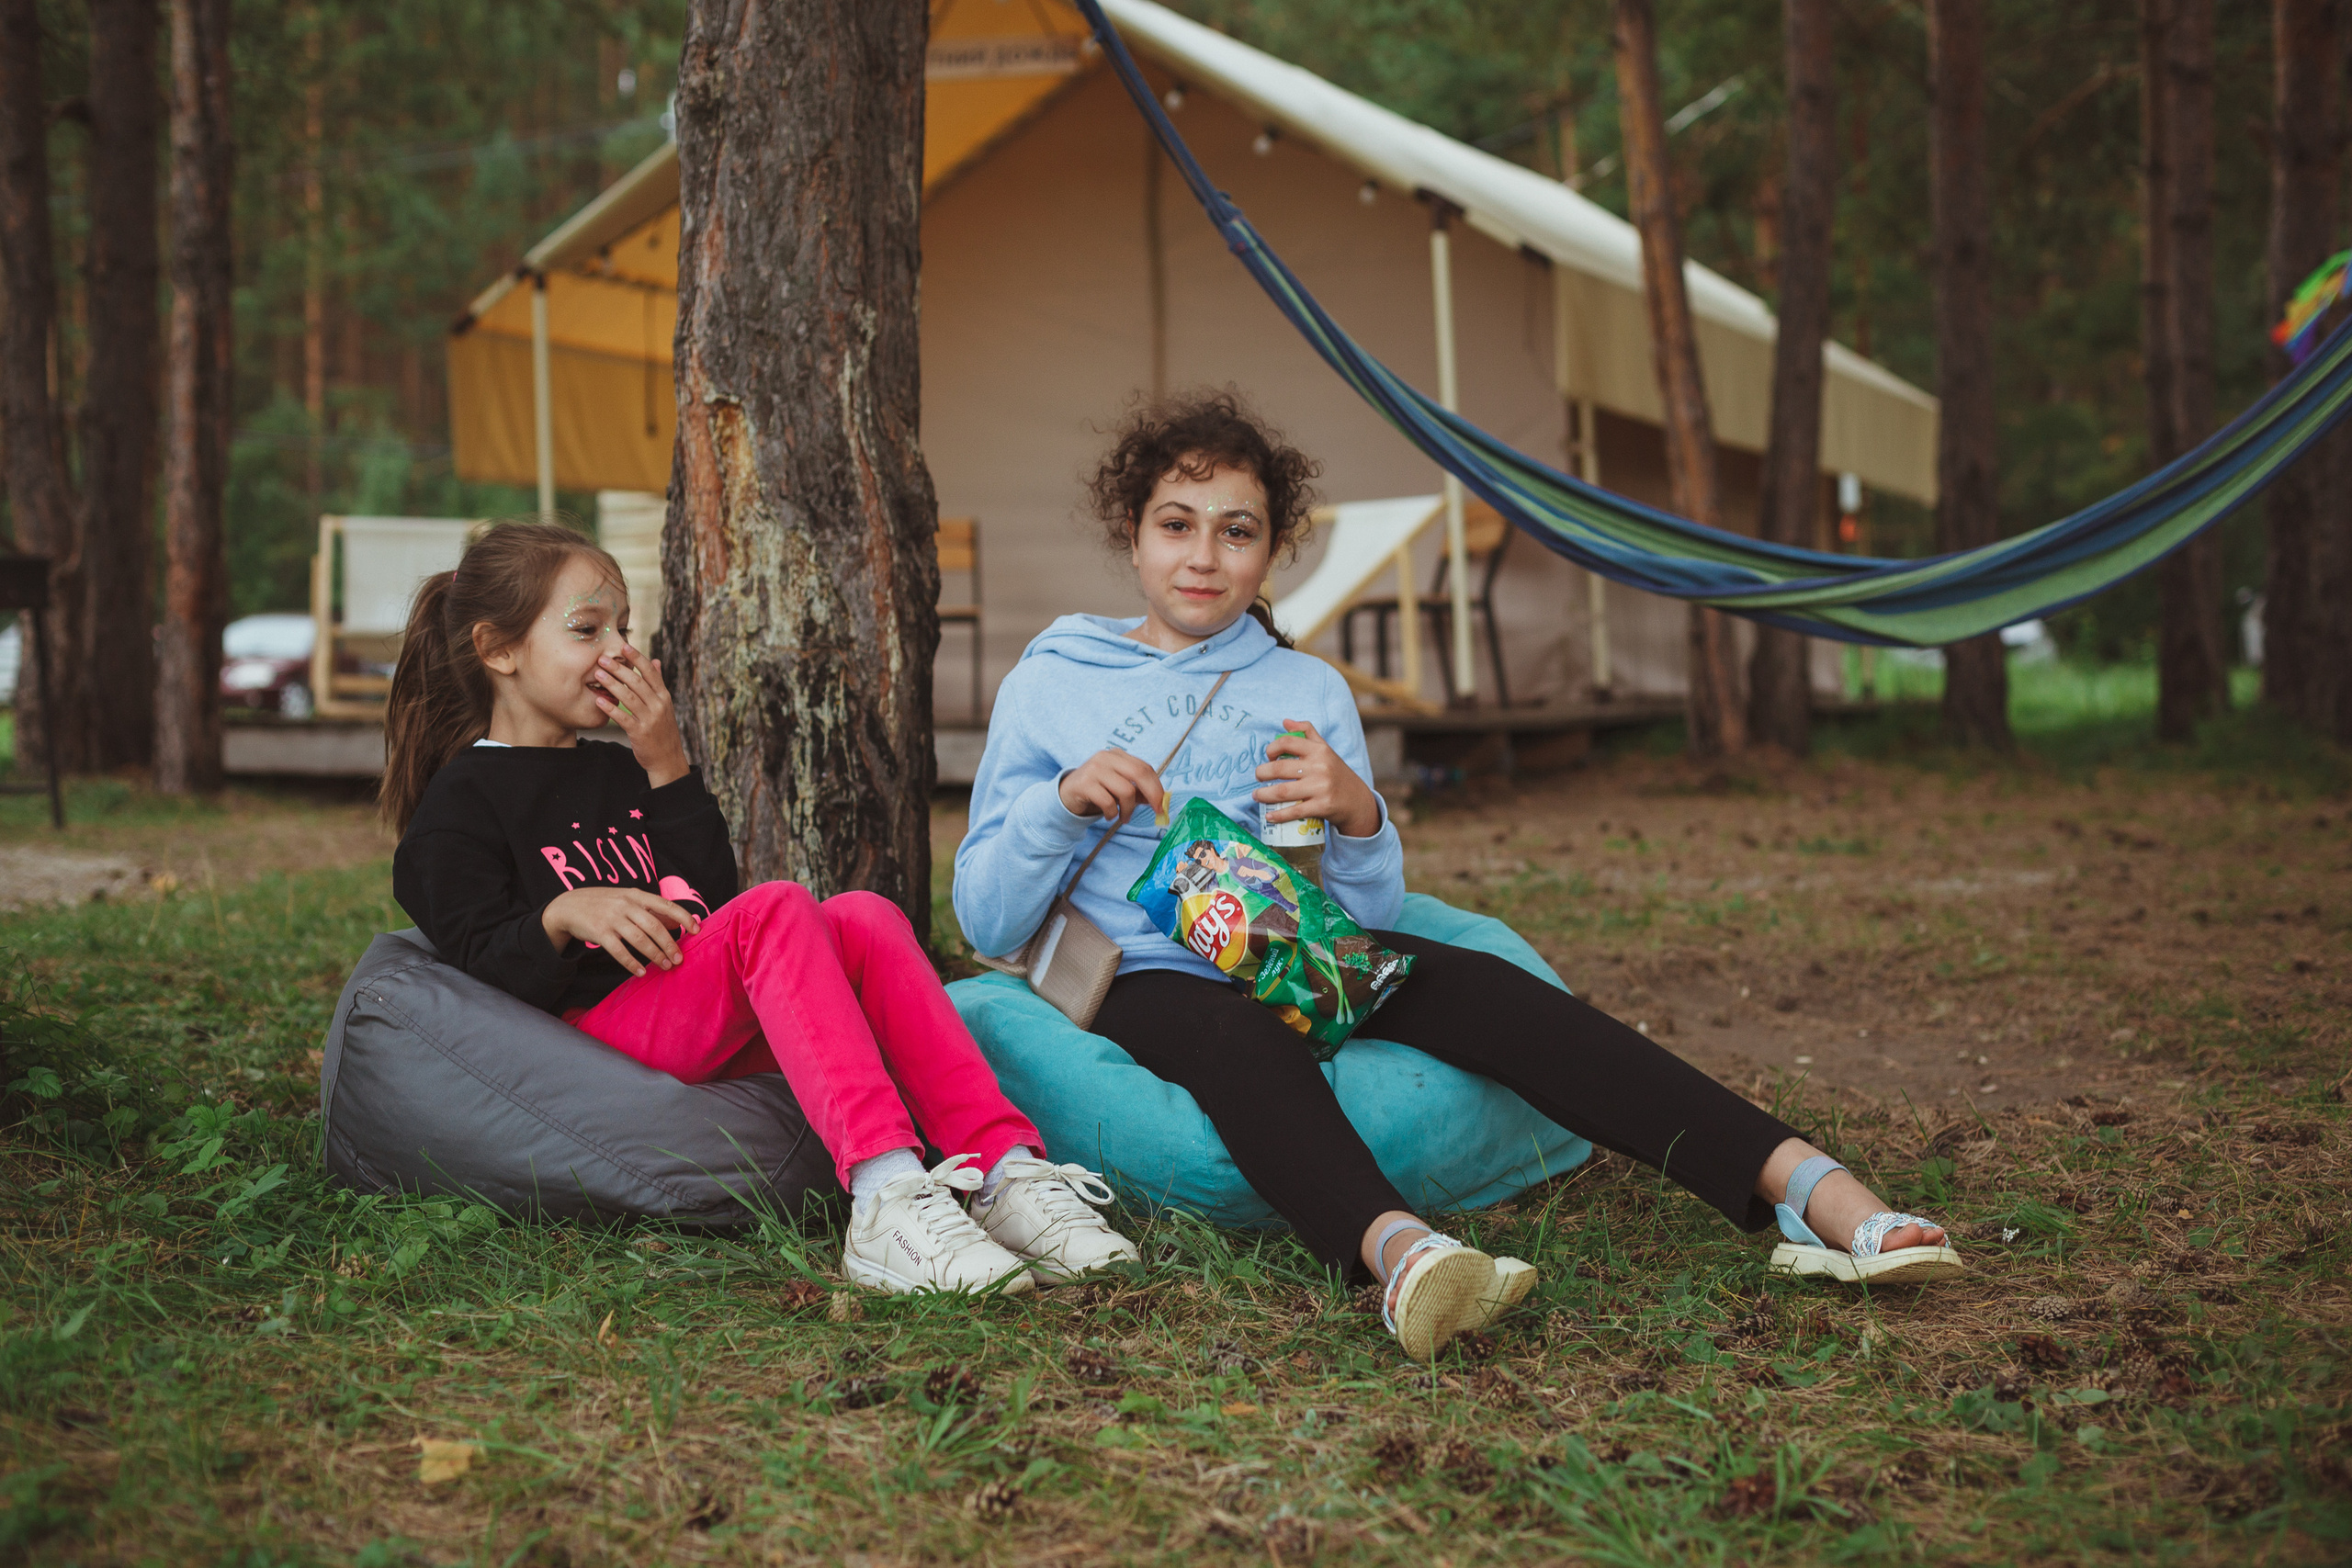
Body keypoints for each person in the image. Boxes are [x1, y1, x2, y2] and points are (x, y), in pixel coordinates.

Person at [953, 392, 1962, 1359]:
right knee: (1238, 1036)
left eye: (1237, 530)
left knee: (1492, 993)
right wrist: (1060, 804)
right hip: (1145, 974)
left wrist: (1360, 813)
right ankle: (1402, 1259)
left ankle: (1819, 1195)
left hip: (1292, 944)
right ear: (1131, 537)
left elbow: (1368, 911)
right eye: (1177, 525)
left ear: (1271, 551)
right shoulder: (1055, 678)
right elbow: (983, 912)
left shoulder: (1304, 686)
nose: (1204, 556)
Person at [382, 521, 1135, 1296]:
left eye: (625, 630)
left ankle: (1003, 1171)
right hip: (590, 1035)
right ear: (498, 650)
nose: (620, 652)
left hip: (679, 999)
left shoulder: (618, 770)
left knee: (864, 916)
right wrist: (562, 915)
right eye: (586, 629)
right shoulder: (462, 801)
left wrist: (667, 766)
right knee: (776, 907)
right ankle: (884, 1194)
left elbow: (703, 900)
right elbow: (477, 958)